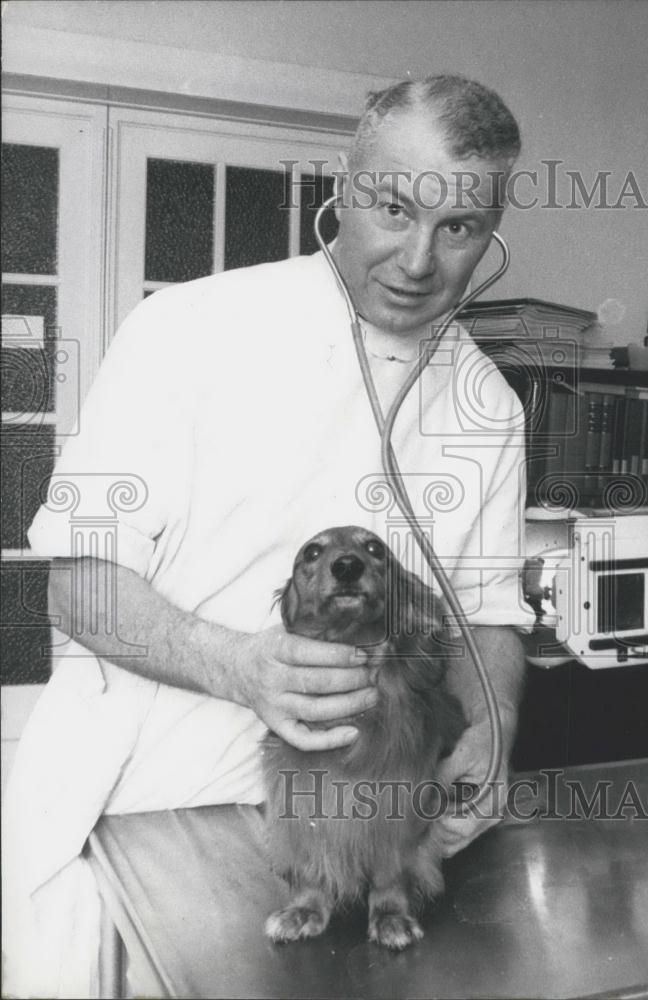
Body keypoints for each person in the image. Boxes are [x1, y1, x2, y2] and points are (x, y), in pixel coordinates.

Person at [2, 74, 533, 997]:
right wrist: (231, 663)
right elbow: (76, 584)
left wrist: (497, 721)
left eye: (458, 229)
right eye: (392, 208)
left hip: (362, 835)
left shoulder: (486, 405)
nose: (417, 259)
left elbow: (488, 615)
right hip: (148, 822)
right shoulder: (190, 329)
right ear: (344, 185)